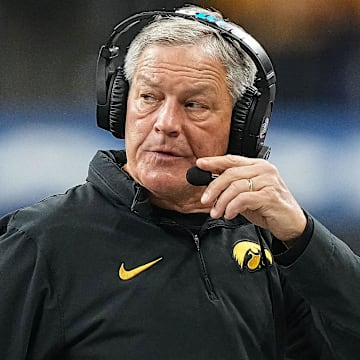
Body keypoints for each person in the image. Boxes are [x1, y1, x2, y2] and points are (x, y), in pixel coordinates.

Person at [0, 4, 359, 360]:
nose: (165, 123)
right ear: (119, 105)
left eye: (193, 105)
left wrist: (303, 237)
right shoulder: (38, 242)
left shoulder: (273, 244)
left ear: (241, 127)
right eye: (149, 98)